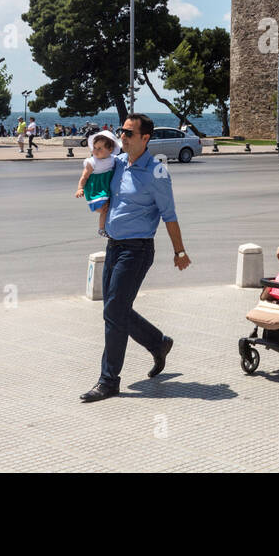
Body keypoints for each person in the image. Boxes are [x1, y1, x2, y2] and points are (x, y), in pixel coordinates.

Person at [80, 113, 190, 402]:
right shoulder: (117, 164)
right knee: (114, 308)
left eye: (129, 133)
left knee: (114, 312)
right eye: (121, 131)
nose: (123, 137)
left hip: (137, 249)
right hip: (114, 246)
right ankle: (158, 342)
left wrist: (179, 251)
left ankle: (109, 380)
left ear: (145, 138)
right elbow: (92, 163)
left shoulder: (156, 173)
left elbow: (170, 215)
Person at [74, 130, 121, 236]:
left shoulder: (114, 159)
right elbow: (84, 177)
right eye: (95, 147)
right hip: (96, 188)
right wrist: (80, 188)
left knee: (108, 208)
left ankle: (106, 227)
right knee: (104, 209)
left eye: (100, 148)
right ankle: (101, 229)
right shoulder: (92, 162)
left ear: (110, 149)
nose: (96, 151)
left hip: (106, 186)